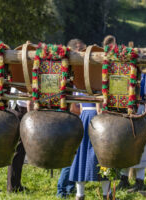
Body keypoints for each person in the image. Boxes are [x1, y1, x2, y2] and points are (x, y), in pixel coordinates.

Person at [56, 39, 86, 199]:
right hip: (74, 118)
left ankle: (68, 188)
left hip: (74, 117)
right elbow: (74, 106)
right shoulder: (71, 74)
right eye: (81, 51)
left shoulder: (74, 72)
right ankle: (63, 189)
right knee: (72, 154)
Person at [116, 72, 146, 192]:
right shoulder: (145, 77)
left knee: (130, 146)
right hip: (139, 112)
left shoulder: (122, 73)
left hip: (126, 112)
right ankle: (133, 180)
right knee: (138, 147)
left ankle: (132, 181)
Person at [69, 99, 113, 200]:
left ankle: (80, 194)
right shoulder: (97, 84)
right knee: (103, 155)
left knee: (82, 155)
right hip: (97, 118)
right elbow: (100, 109)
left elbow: (75, 109)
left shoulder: (79, 85)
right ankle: (107, 194)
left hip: (84, 117)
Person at [7, 87, 32, 193]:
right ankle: (13, 186)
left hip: (14, 106)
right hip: (20, 108)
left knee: (16, 148)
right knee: (18, 149)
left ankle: (14, 184)